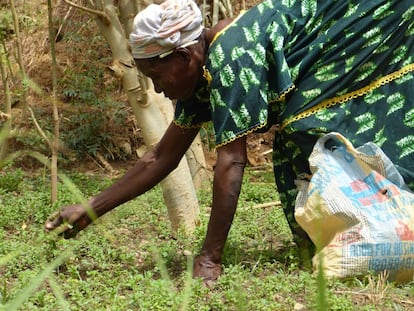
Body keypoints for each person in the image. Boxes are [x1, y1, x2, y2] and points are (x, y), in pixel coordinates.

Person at [46, 0, 414, 283]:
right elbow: (160, 157)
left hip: (370, 25)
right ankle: (363, 237)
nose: (157, 87)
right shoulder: (200, 74)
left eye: (156, 75)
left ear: (183, 56)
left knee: (307, 126)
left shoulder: (231, 55)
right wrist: (91, 207)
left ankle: (375, 230)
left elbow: (231, 161)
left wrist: (209, 257)